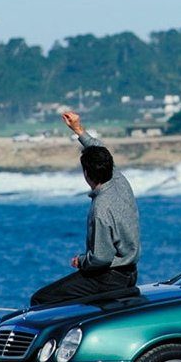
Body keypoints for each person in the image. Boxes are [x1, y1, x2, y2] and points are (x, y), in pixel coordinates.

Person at [30, 111, 141, 306]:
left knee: (41, 299)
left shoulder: (101, 209)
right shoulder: (120, 183)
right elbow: (100, 150)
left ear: (86, 173)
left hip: (109, 279)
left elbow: (101, 258)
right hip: (130, 273)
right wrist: (78, 129)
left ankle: (63, 336)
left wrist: (81, 261)